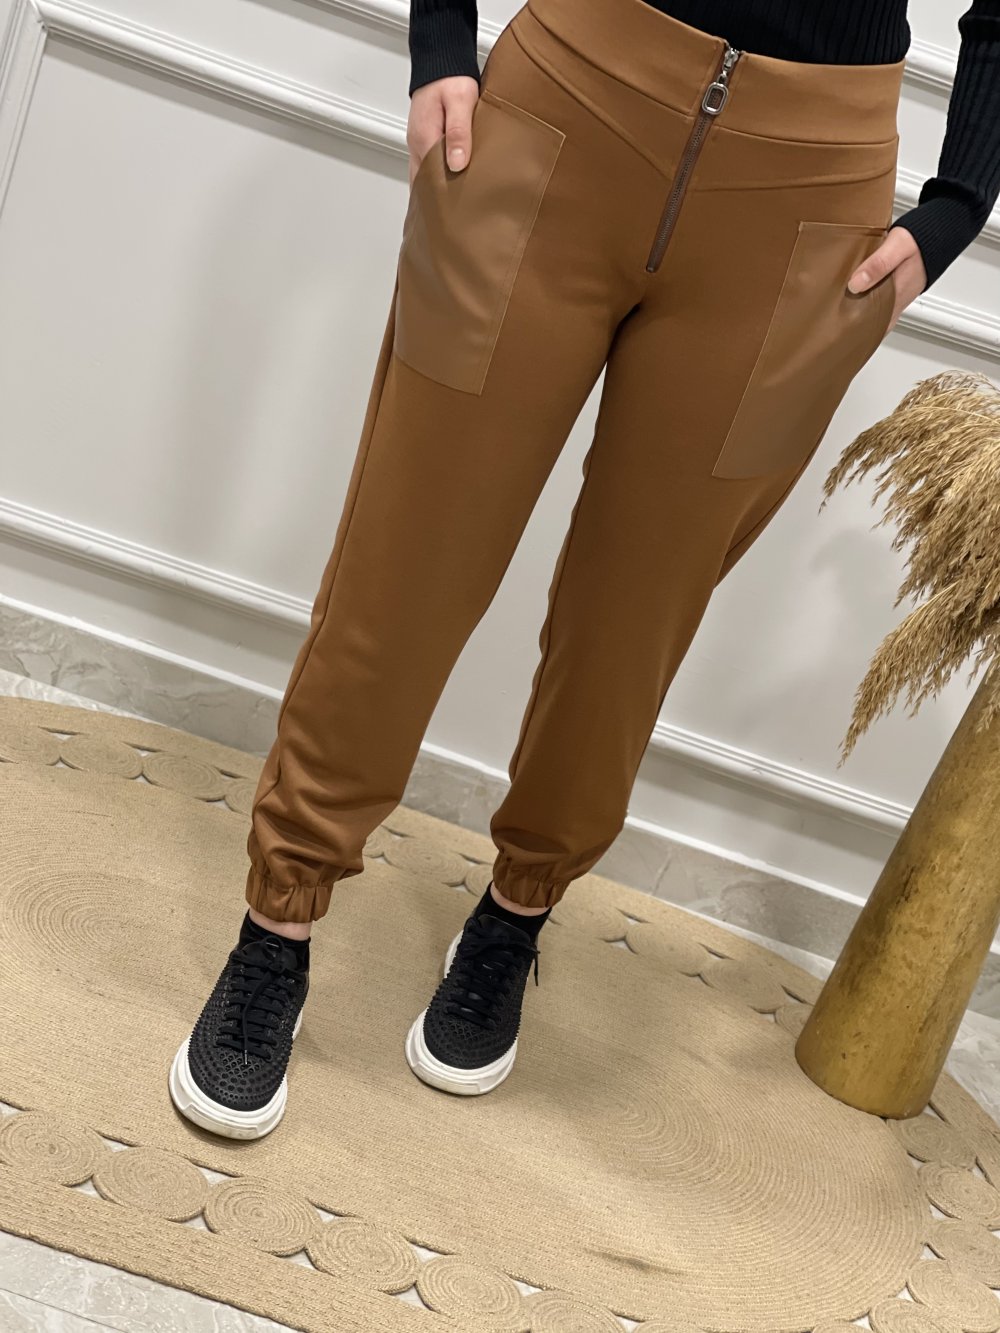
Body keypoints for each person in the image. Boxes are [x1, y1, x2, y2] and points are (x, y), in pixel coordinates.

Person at [168, 0, 1000, 1140]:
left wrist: (960, 203)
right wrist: (440, 41)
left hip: (808, 202)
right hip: (567, 104)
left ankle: (516, 914)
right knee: (408, 558)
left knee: (637, 612)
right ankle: (280, 918)